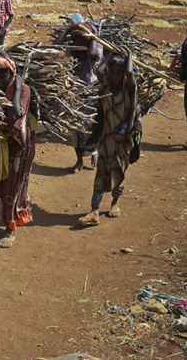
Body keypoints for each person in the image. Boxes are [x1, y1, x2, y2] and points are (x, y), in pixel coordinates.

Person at [0, 50, 36, 248]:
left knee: (12, 187)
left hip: (18, 147)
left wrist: (18, 87)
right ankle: (16, 211)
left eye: (3, 75)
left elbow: (13, 116)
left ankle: (10, 227)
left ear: (12, 74)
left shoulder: (23, 90)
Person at [78, 46, 141, 226]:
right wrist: (111, 55)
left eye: (117, 74)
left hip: (123, 141)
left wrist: (129, 56)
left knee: (118, 172)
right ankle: (94, 210)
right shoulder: (105, 87)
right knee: (100, 173)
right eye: (111, 73)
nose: (113, 77)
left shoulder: (129, 91)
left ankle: (115, 204)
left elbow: (129, 73)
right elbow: (99, 70)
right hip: (106, 139)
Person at [54, 17, 104, 171]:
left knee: (92, 128)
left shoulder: (97, 49)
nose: (78, 44)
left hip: (92, 95)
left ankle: (94, 150)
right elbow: (56, 47)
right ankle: (79, 161)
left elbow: (91, 54)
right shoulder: (71, 50)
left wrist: (94, 35)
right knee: (75, 130)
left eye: (82, 41)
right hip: (75, 95)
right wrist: (68, 30)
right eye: (76, 40)